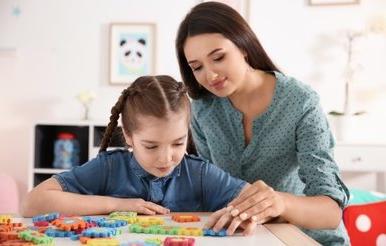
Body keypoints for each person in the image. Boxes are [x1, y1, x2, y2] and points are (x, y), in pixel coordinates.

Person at [175, 2, 350, 245]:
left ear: (243, 45)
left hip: (308, 239)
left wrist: (280, 202)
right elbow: (210, 187)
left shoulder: (300, 101)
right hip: (245, 238)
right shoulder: (203, 110)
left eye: (219, 57)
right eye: (197, 67)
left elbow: (331, 212)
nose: (210, 75)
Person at [21, 75, 248, 218]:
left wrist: (246, 215)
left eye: (178, 143)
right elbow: (32, 204)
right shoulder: (109, 168)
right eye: (151, 146)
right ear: (128, 135)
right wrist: (117, 204)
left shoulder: (199, 173)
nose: (166, 158)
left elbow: (258, 203)